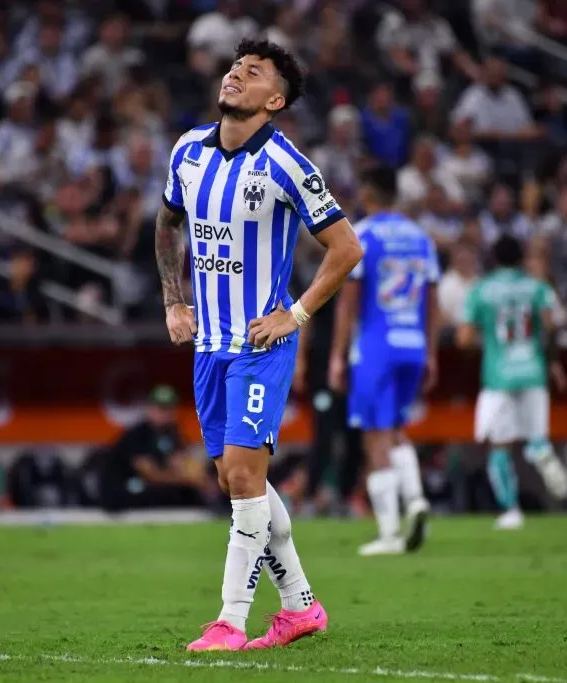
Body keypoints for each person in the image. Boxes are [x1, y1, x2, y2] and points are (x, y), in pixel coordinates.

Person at [154, 39, 362, 651]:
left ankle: (229, 622)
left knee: (244, 479)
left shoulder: (287, 164)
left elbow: (347, 248)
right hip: (208, 347)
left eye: (253, 72)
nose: (235, 75)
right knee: (233, 479)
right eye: (234, 67)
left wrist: (293, 315)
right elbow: (168, 222)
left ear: (275, 100)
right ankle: (300, 606)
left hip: (258, 345)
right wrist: (173, 298)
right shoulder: (188, 151)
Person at [327, 166, 439, 556]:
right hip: (413, 343)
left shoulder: (363, 234)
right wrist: (431, 351)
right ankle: (418, 499)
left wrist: (338, 355)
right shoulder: (421, 238)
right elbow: (433, 297)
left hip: (376, 345)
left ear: (369, 193)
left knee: (374, 435)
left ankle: (391, 531)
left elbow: (349, 299)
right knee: (394, 428)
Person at [455, 235, 567, 530]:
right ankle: (540, 450)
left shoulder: (482, 290)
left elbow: (464, 339)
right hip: (533, 369)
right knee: (535, 436)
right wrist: (554, 362)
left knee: (499, 445)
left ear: (493, 259)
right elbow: (552, 324)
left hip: (499, 375)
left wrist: (485, 337)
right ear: (521, 258)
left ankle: (511, 511)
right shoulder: (537, 287)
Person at [100, 385, 209, 512]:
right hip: (124, 489)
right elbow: (150, 474)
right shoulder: (138, 434)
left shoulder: (173, 433)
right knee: (168, 493)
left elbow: (183, 462)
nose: (165, 413)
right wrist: (186, 480)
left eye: (169, 408)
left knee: (188, 494)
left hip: (153, 488)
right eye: (161, 408)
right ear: (149, 408)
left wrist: (195, 476)